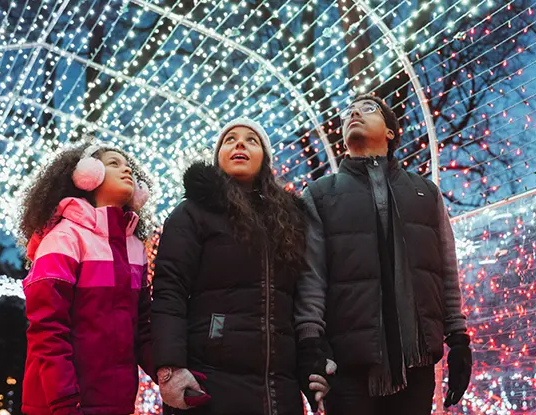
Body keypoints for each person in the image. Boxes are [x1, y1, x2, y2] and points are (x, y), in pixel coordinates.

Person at [294, 93, 472, 414]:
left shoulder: (425, 193)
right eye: (348, 112)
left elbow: (445, 269)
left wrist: (458, 338)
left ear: (390, 132)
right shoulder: (320, 194)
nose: (353, 114)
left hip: (415, 362)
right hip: (347, 365)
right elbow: (311, 276)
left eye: (367, 109)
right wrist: (310, 343)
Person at [151, 118, 334, 415]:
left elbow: (304, 297)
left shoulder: (290, 221)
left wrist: (312, 361)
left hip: (279, 387)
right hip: (210, 379)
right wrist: (171, 369)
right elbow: (168, 292)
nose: (239, 144)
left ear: (265, 158)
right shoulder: (192, 214)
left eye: (251, 140)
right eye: (230, 139)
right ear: (218, 157)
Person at [18, 142, 156, 415]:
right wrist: (64, 400)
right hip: (60, 405)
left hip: (116, 403)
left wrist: (171, 374)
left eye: (127, 164)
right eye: (113, 163)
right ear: (87, 175)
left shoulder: (135, 248)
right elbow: (47, 327)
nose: (126, 168)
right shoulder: (64, 238)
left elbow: (143, 329)